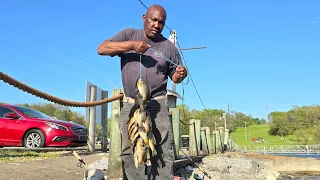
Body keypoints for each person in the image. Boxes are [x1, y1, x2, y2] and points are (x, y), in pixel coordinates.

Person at [97, 4, 187, 180]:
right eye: (153, 20)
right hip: (131, 104)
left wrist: (181, 75)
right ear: (144, 17)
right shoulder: (129, 35)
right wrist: (131, 45)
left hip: (157, 105)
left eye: (161, 22)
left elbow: (175, 77)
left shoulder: (169, 47)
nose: (156, 25)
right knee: (129, 149)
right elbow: (101, 49)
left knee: (161, 150)